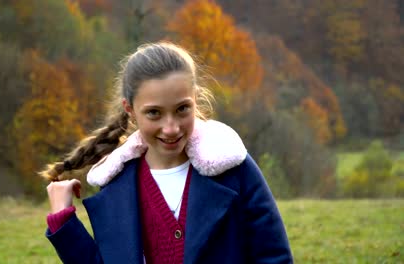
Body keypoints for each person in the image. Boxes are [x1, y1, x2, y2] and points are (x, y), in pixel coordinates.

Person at [40, 42, 293, 264]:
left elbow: (274, 257)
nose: (171, 128)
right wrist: (63, 222)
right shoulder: (116, 188)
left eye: (182, 109)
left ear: (195, 99)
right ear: (130, 109)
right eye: (154, 113)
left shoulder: (235, 170)